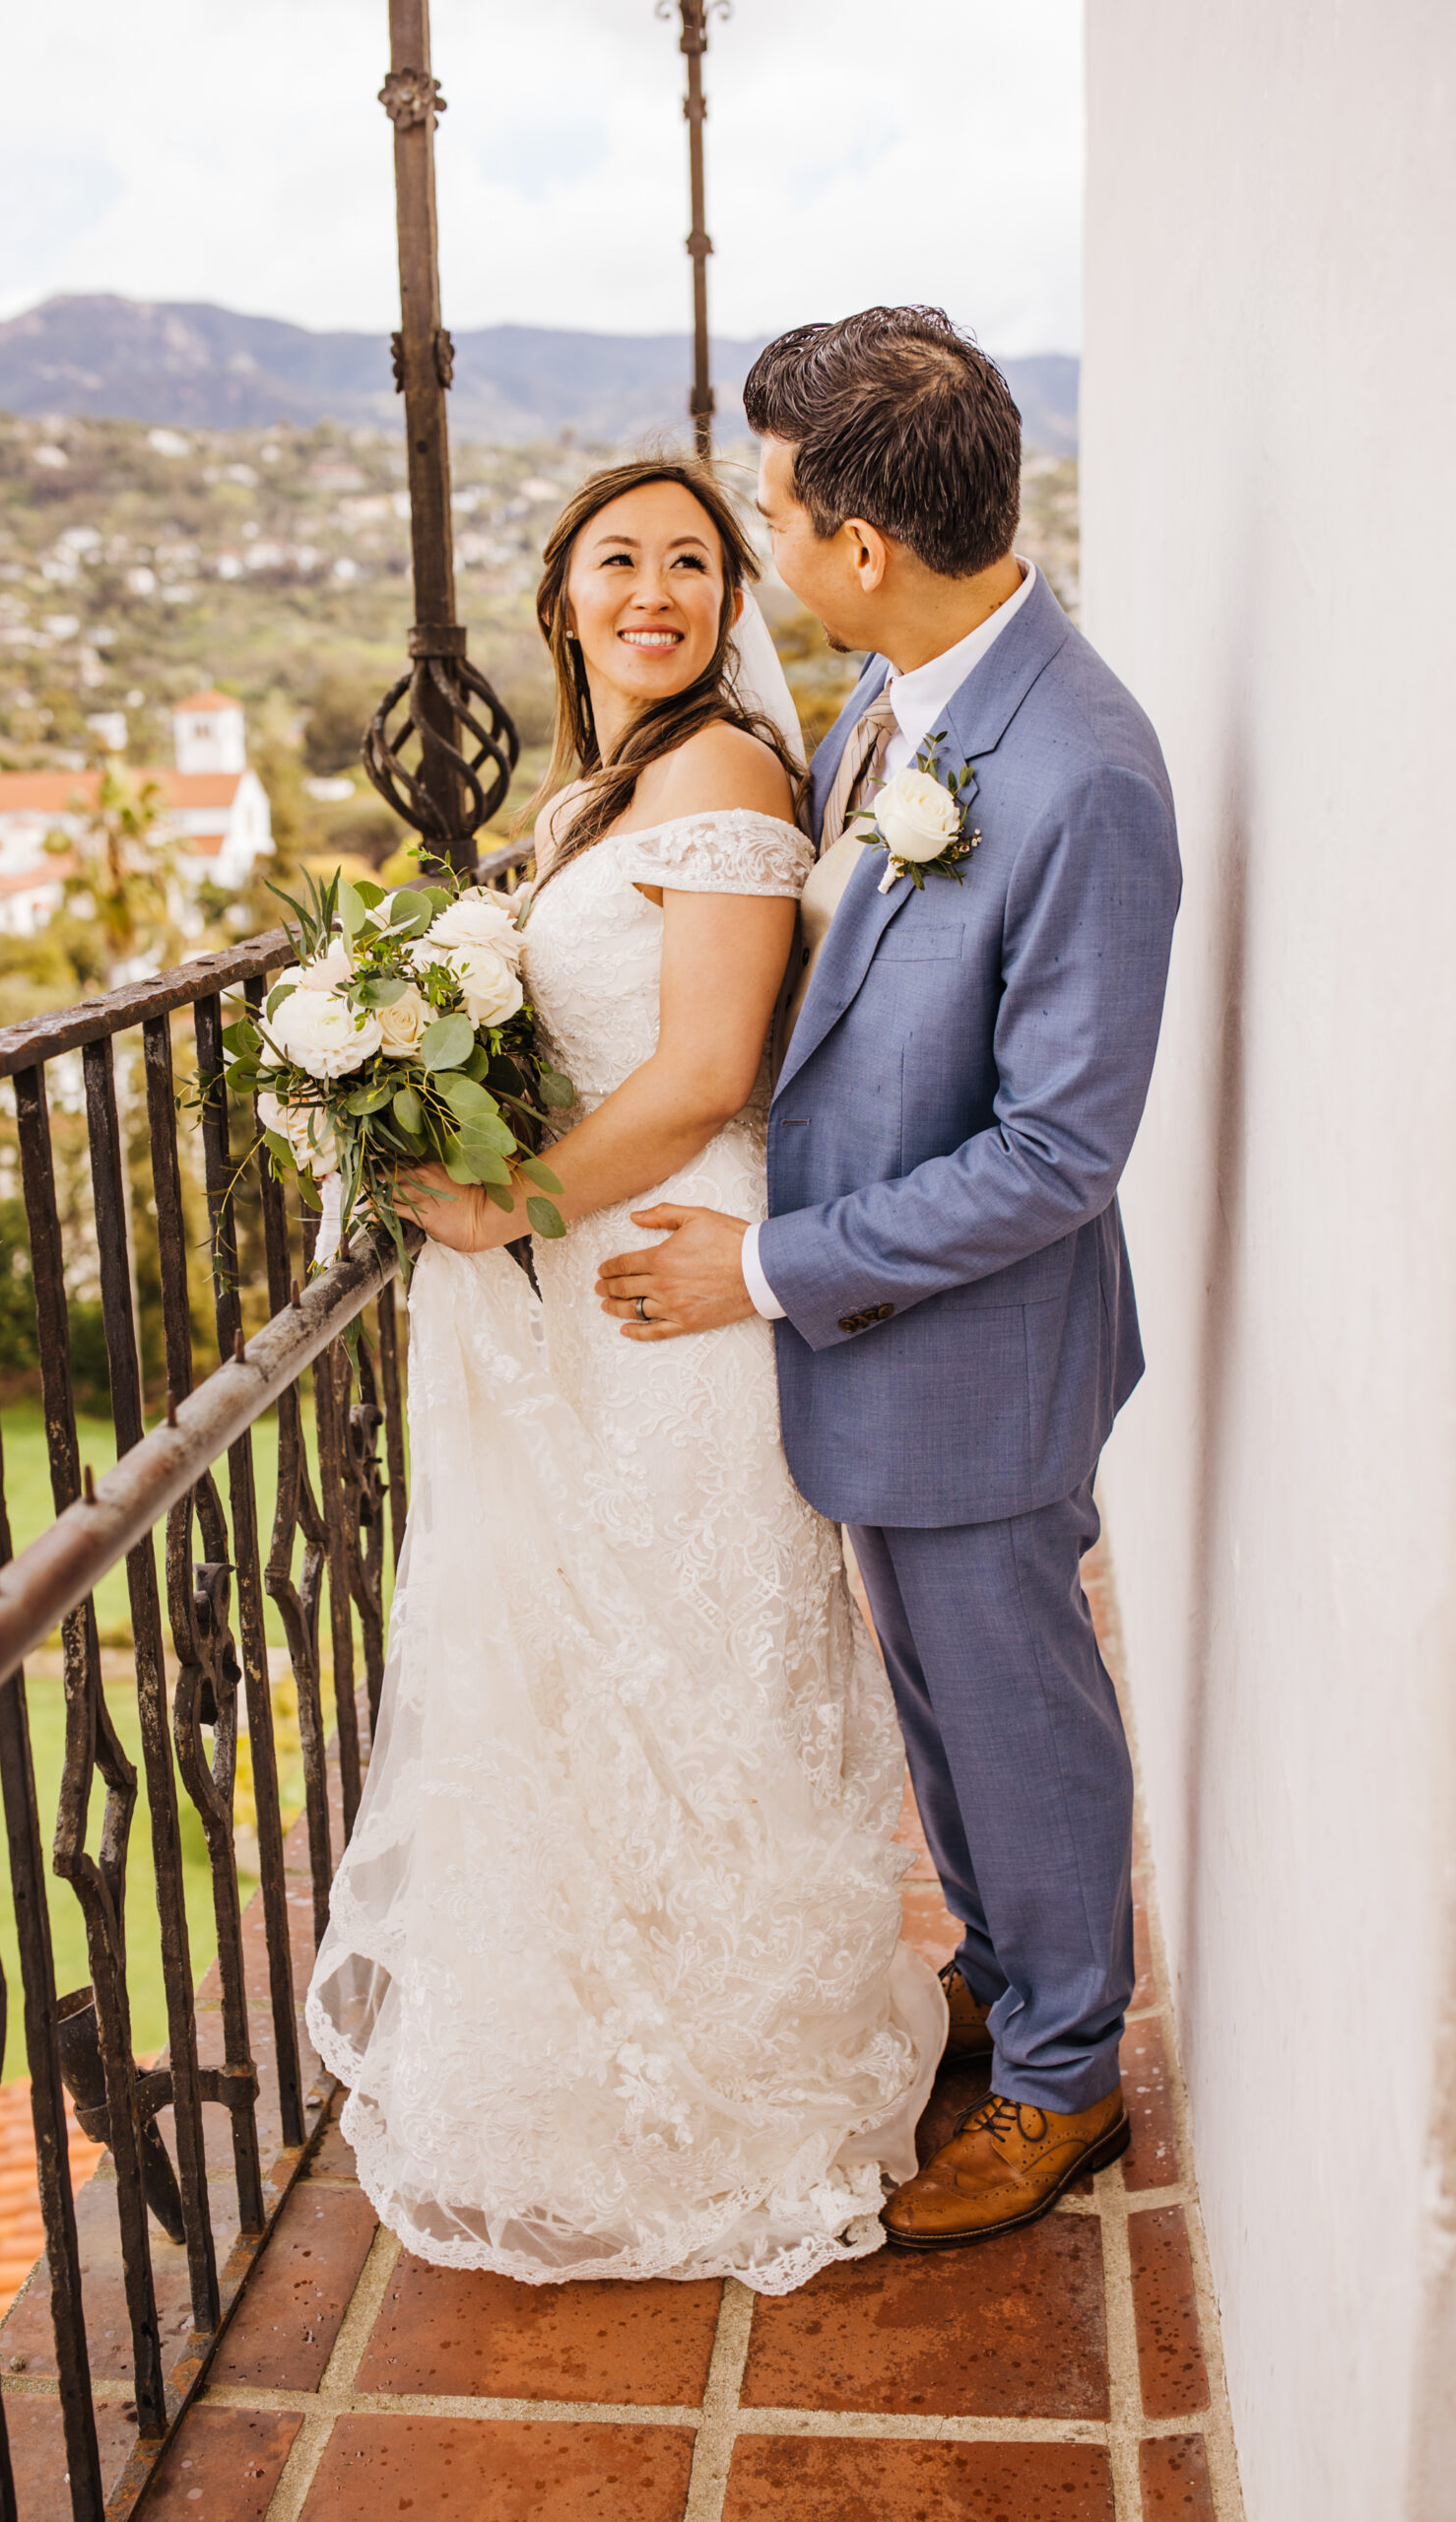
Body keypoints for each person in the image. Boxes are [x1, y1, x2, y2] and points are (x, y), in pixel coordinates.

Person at [306, 455, 945, 2292]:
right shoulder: (600, 795)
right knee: (593, 1684)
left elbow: (702, 1071)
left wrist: (499, 1209)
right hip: (579, 1280)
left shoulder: (726, 767)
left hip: (665, 1285)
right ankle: (617, 2064)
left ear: (731, 598)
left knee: (696, 1676)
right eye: (618, 561)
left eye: (693, 559)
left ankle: (749, 2096)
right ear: (563, 601)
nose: (655, 587)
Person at [597, 307, 1182, 2248]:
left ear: (862, 546)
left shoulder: (1080, 769)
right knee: (942, 1708)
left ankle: (1062, 2075)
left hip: (978, 1355)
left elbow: (1052, 1152)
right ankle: (1006, 1963)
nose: (754, 544)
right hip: (881, 1349)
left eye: (766, 512)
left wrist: (762, 1266)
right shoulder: (893, 707)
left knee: (1016, 1708)